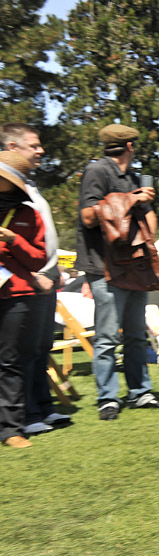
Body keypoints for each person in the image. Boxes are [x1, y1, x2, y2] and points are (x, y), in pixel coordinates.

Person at [76, 124, 159, 420]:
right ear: (130, 145)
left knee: (135, 336)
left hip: (134, 265)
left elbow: (144, 224)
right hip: (105, 268)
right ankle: (107, 398)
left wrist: (146, 205)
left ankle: (140, 393)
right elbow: (88, 216)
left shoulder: (131, 177)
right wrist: (132, 199)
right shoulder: (98, 171)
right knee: (106, 338)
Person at [2, 123, 71, 435]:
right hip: (27, 282)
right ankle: (26, 416)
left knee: (41, 349)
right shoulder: (15, 193)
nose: (41, 150)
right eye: (33, 146)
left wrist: (52, 271)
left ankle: (43, 407)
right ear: (12, 148)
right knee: (22, 354)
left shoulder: (29, 190)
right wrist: (34, 276)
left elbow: (40, 244)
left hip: (46, 277)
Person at [0, 151, 48, 448]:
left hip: (16, 296)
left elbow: (38, 260)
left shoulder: (29, 215)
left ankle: (11, 429)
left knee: (8, 362)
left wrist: (13, 240)